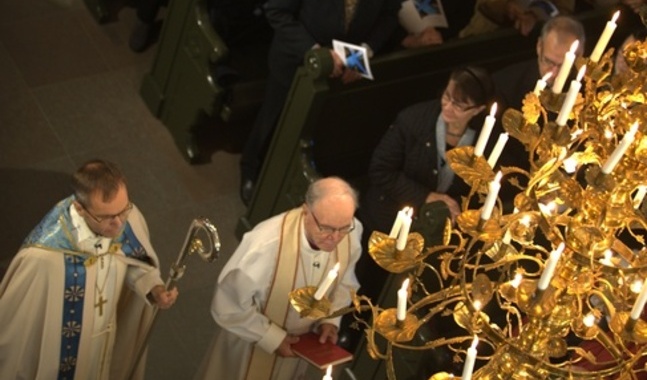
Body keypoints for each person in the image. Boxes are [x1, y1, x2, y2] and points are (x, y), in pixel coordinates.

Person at [0, 159, 178, 379]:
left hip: (105, 337)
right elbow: (19, 327)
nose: (119, 224)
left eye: (123, 210)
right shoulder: (44, 256)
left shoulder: (125, 217)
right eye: (107, 217)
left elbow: (133, 261)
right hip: (64, 349)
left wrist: (154, 288)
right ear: (79, 208)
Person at [195, 177, 362, 380]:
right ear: (306, 211)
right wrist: (272, 339)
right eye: (326, 228)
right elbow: (228, 304)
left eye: (343, 228)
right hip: (250, 347)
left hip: (300, 349)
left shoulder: (351, 230)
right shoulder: (267, 245)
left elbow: (345, 282)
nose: (335, 238)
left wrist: (330, 320)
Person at [239, 0, 403, 205]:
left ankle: (293, 181)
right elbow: (276, 11)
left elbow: (389, 15)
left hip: (343, 69)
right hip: (296, 59)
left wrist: (362, 54)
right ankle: (251, 169)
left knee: (316, 128)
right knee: (272, 118)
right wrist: (315, 51)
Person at [357, 65, 495, 301]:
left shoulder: (485, 139)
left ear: (477, 110)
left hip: (438, 241)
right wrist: (427, 196)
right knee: (371, 290)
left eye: (459, 105)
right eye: (447, 97)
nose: (448, 107)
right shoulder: (413, 121)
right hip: (388, 220)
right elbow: (380, 170)